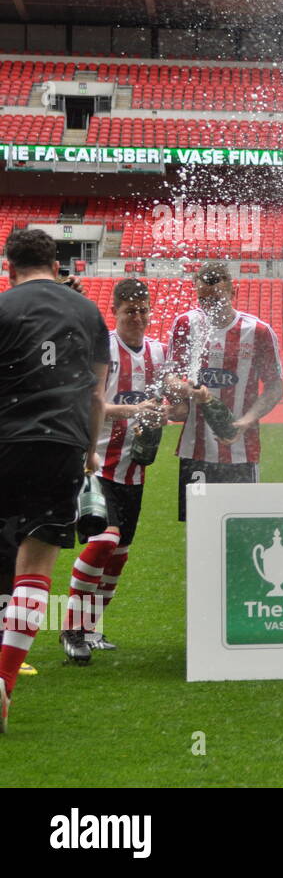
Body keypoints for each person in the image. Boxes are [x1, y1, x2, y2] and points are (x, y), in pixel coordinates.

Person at [0, 229, 109, 731]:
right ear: (58, 263)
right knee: (36, 568)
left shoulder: (4, 307)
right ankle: (4, 684)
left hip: (5, 438)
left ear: (10, 266)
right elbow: (96, 400)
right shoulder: (89, 314)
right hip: (62, 444)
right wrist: (88, 454)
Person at [59, 279, 169, 663]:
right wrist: (136, 411)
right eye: (129, 311)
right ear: (116, 312)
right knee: (102, 542)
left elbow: (170, 406)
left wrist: (168, 408)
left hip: (134, 473)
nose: (138, 318)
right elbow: (94, 404)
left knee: (118, 555)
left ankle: (92, 629)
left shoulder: (159, 351)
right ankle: (71, 630)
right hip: (97, 467)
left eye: (143, 310)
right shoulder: (103, 349)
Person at [166, 263, 283, 522]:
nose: (210, 305)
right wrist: (188, 390)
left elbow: (276, 387)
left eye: (217, 298)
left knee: (243, 525)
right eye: (203, 299)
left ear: (233, 292)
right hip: (196, 451)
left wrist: (245, 421)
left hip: (241, 449)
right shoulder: (186, 324)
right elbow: (169, 380)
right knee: (198, 527)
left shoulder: (259, 332)